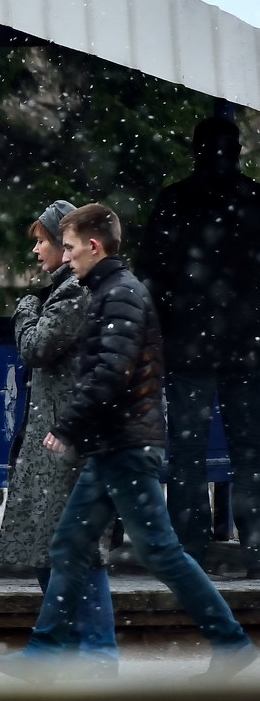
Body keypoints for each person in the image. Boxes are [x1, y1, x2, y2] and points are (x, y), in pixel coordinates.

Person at [0, 203, 257, 684]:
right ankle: (49, 652)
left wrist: (67, 426)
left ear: (94, 246)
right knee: (68, 546)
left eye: (68, 248)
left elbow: (111, 371)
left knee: (161, 553)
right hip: (112, 446)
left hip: (127, 448)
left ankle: (230, 642)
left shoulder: (122, 295)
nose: (64, 258)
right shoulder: (108, 291)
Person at [0, 200, 119, 678]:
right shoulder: (66, 292)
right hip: (57, 436)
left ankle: (90, 655)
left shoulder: (71, 296)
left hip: (68, 440)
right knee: (57, 546)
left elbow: (36, 349)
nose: (41, 253)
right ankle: (68, 653)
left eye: (44, 243)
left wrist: (25, 309)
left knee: (75, 548)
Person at [135, 117, 260, 578]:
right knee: (251, 453)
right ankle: (256, 551)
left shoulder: (175, 201)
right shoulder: (253, 200)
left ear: (196, 149)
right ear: (238, 150)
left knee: (186, 455)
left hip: (189, 347)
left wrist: (166, 329)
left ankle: (188, 552)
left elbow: (151, 274)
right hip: (247, 346)